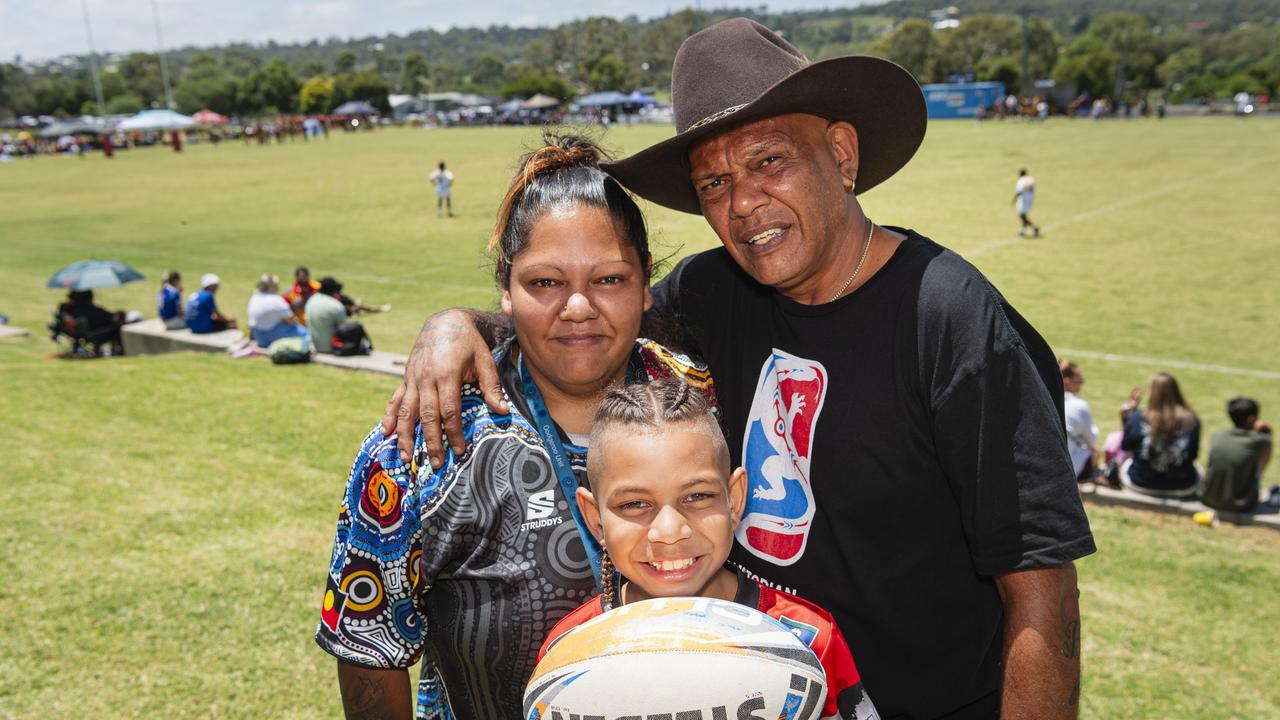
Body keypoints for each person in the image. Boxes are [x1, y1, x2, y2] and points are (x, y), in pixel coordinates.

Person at [384, 19, 1094, 720]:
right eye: (715, 181)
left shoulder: (950, 319)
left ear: (842, 155)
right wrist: (455, 325)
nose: (745, 202)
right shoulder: (716, 293)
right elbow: (586, 313)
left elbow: (1042, 595)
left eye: (769, 161)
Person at [316, 135, 715, 720]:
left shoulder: (702, 399)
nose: (578, 308)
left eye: (609, 279)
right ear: (505, 286)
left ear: (644, 282)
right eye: (545, 283)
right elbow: (367, 649)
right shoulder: (420, 444)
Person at [540, 380, 879, 720]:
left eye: (698, 496)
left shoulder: (807, 640)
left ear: (735, 500)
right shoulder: (568, 654)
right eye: (634, 504)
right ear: (595, 519)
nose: (670, 532)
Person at [1118, 372, 1202, 498]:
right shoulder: (1192, 420)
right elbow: (1192, 455)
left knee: (1126, 463)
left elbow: (1126, 446)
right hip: (1182, 485)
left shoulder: (1137, 418)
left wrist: (1130, 418)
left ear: (1152, 392)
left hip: (1140, 483)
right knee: (1199, 470)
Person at [1201, 397, 1272, 512]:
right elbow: (1259, 472)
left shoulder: (1218, 436)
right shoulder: (1262, 441)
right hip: (1241, 504)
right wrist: (1267, 432)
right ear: (1251, 419)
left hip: (1208, 498)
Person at [1061, 360, 1099, 482]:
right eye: (1079, 379)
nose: (1082, 382)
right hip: (1069, 466)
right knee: (1095, 452)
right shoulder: (1080, 405)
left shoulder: (1046, 398)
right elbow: (1092, 439)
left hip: (1046, 458)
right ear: (1067, 381)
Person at [247, 273, 309, 347]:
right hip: (273, 336)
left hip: (259, 337)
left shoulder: (254, 297)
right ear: (272, 286)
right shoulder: (276, 300)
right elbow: (291, 320)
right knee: (307, 334)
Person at [304, 277, 351, 354]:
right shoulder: (336, 306)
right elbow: (344, 329)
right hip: (331, 348)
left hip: (311, 345)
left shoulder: (311, 300)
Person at [1013, 168, 1041, 237]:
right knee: (1023, 215)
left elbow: (1020, 191)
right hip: (1030, 199)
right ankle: (1022, 231)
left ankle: (1034, 227)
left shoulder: (1021, 181)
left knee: (1022, 216)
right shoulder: (1030, 179)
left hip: (1023, 200)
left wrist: (1014, 199)